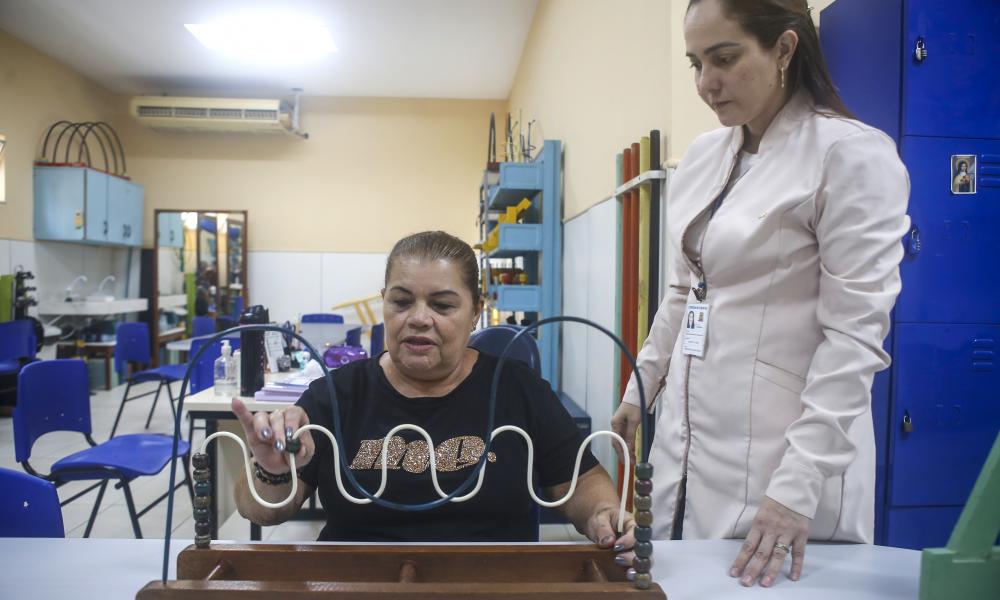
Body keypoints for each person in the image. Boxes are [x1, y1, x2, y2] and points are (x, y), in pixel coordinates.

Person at [611, 0, 909, 589]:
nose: (705, 84)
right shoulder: (704, 157)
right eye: (695, 63)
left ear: (785, 48)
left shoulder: (848, 154)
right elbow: (683, 290)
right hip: (693, 445)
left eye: (725, 59)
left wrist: (798, 486)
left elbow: (855, 339)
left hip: (788, 455)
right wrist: (639, 388)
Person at [233, 231, 636, 565]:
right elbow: (261, 511)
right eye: (402, 301)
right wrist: (272, 470)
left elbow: (582, 481)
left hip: (490, 586)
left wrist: (603, 514)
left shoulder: (517, 389)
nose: (419, 317)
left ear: (476, 311)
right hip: (357, 583)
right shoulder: (336, 395)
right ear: (385, 303)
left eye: (442, 305)